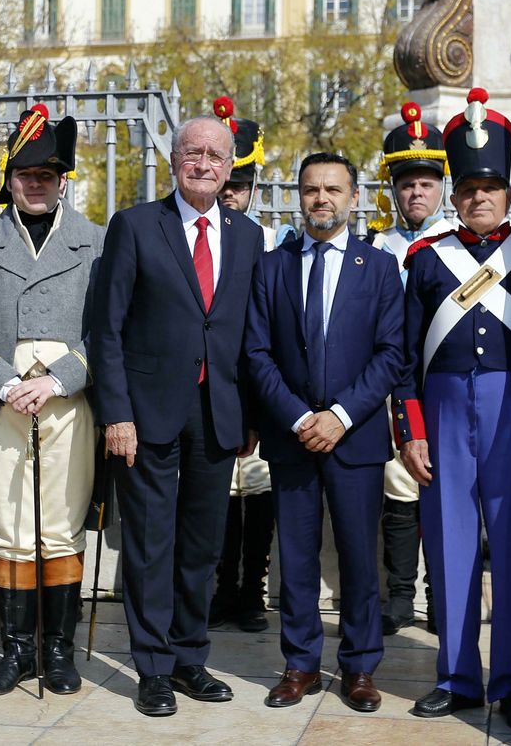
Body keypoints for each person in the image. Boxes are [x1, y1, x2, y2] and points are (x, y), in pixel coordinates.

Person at [90, 116, 262, 717]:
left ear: (230, 166)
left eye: (216, 155)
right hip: (146, 414)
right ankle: (154, 668)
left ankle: (191, 659)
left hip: (218, 413)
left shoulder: (247, 236)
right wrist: (116, 414)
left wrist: (250, 415)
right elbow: (106, 328)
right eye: (193, 152)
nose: (204, 164)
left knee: (202, 546)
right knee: (149, 545)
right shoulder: (136, 226)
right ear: (173, 160)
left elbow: (250, 333)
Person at [393, 89, 511, 730]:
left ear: (508, 193)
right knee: (449, 546)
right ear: (453, 197)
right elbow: (405, 355)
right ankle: (456, 676)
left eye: (490, 188)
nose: (479, 197)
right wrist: (412, 431)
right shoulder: (428, 259)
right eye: (469, 189)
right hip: (445, 411)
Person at [243, 152, 404, 713]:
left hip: (354, 437)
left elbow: (391, 353)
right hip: (291, 436)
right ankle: (300, 664)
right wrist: (297, 417)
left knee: (360, 557)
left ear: (354, 197)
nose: (321, 199)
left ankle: (359, 666)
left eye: (333, 189)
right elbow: (257, 352)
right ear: (299, 196)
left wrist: (340, 415)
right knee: (297, 558)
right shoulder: (273, 267)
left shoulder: (378, 268)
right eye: (312, 189)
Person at [0, 105, 104, 697]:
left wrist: (59, 379)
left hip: (68, 404)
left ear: (62, 179)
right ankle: (17, 650)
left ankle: (59, 651)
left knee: (62, 527)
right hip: (5, 403)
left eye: (47, 173)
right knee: (13, 527)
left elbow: (108, 332)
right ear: (10, 177)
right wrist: (3, 383)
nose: (36, 183)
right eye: (25, 173)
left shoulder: (96, 241)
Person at [366, 101, 451, 637]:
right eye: (406, 184)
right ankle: (400, 595)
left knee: (445, 487)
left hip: (442, 380)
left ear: (442, 186)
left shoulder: (459, 243)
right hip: (391, 382)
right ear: (392, 189)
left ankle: (443, 595)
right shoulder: (378, 245)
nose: (416, 192)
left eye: (426, 183)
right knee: (399, 486)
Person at [207, 96, 288, 635]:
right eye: (226, 182)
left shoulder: (273, 242)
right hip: (212, 384)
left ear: (254, 185)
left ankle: (252, 591)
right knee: (217, 492)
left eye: (240, 183)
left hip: (257, 384)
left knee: (258, 489)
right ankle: (220, 588)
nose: (230, 193)